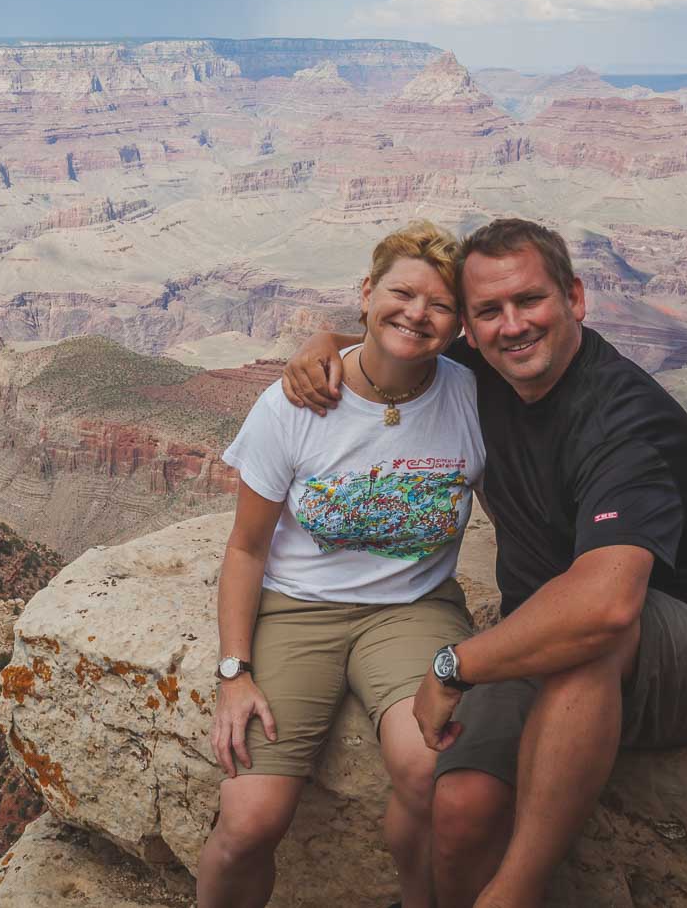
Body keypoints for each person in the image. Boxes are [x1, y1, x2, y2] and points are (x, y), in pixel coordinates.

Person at [283, 218, 687, 908]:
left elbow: (603, 606)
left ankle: (515, 891)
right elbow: (396, 343)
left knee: (590, 636)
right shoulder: (482, 371)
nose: (512, 325)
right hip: (542, 632)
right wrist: (319, 344)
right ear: (471, 327)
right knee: (458, 809)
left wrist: (455, 665)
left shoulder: (623, 419)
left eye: (529, 301)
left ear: (574, 297)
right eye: (488, 311)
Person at [198, 221, 488, 908]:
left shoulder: (475, 394)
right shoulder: (296, 402)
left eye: (439, 304)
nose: (417, 312)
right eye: (401, 292)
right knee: (248, 820)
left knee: (432, 771)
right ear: (366, 292)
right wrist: (234, 671)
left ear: (458, 324)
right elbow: (245, 548)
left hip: (414, 607)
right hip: (297, 607)